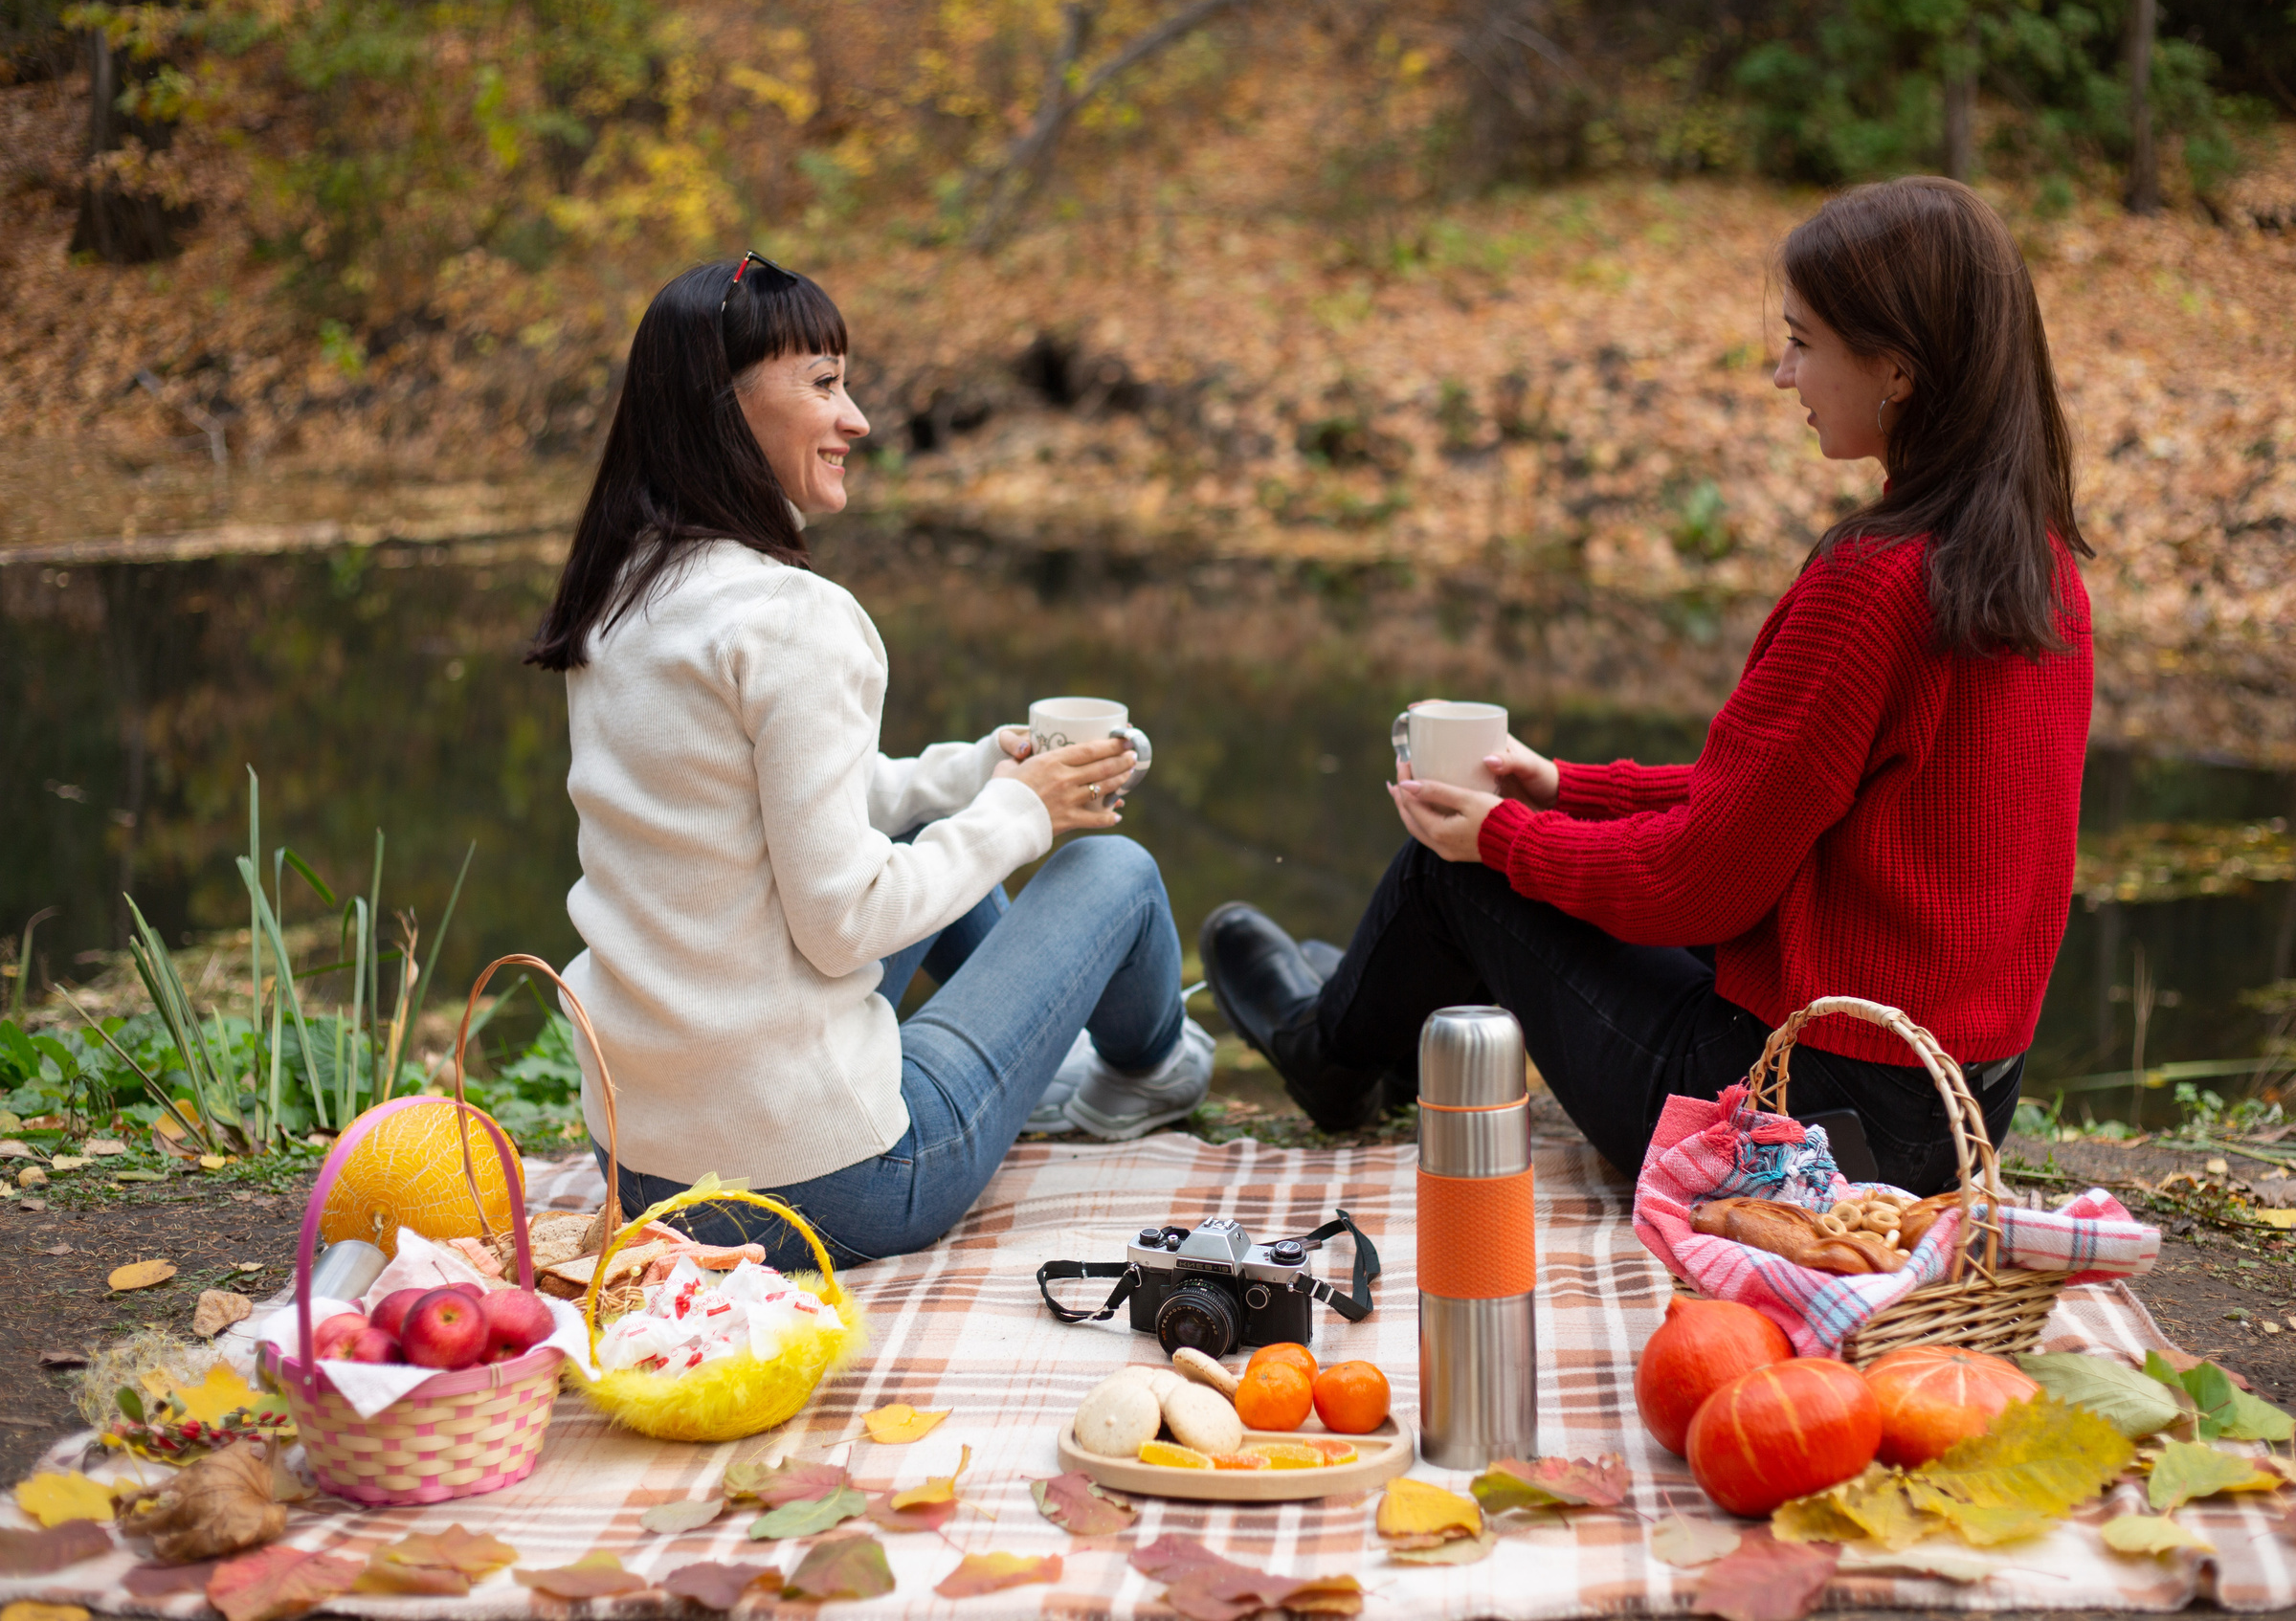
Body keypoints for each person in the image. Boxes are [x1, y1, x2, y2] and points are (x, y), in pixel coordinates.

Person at [1200, 178, 2091, 1195]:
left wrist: (1503, 837)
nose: (1783, 373)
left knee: (1455, 872)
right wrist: (1566, 789)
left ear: (1896, 366)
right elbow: (1776, 808)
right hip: (1954, 1112)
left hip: (1788, 1128)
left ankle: (1328, 1056)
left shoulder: (1875, 585)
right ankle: (1385, 1013)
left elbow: (1702, 881)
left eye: (1802, 343)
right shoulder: (2038, 570)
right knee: (1513, 854)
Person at [526, 253, 1212, 1268]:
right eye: (823, 383)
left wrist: (974, 775)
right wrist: (1019, 813)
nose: (856, 419)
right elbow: (844, 921)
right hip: (824, 1188)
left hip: (645, 1164)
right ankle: (1145, 1073)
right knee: (1113, 872)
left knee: (927, 825)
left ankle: (1041, 1050)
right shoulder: (794, 617)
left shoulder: (623, 591)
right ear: (723, 404)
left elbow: (766, 809)